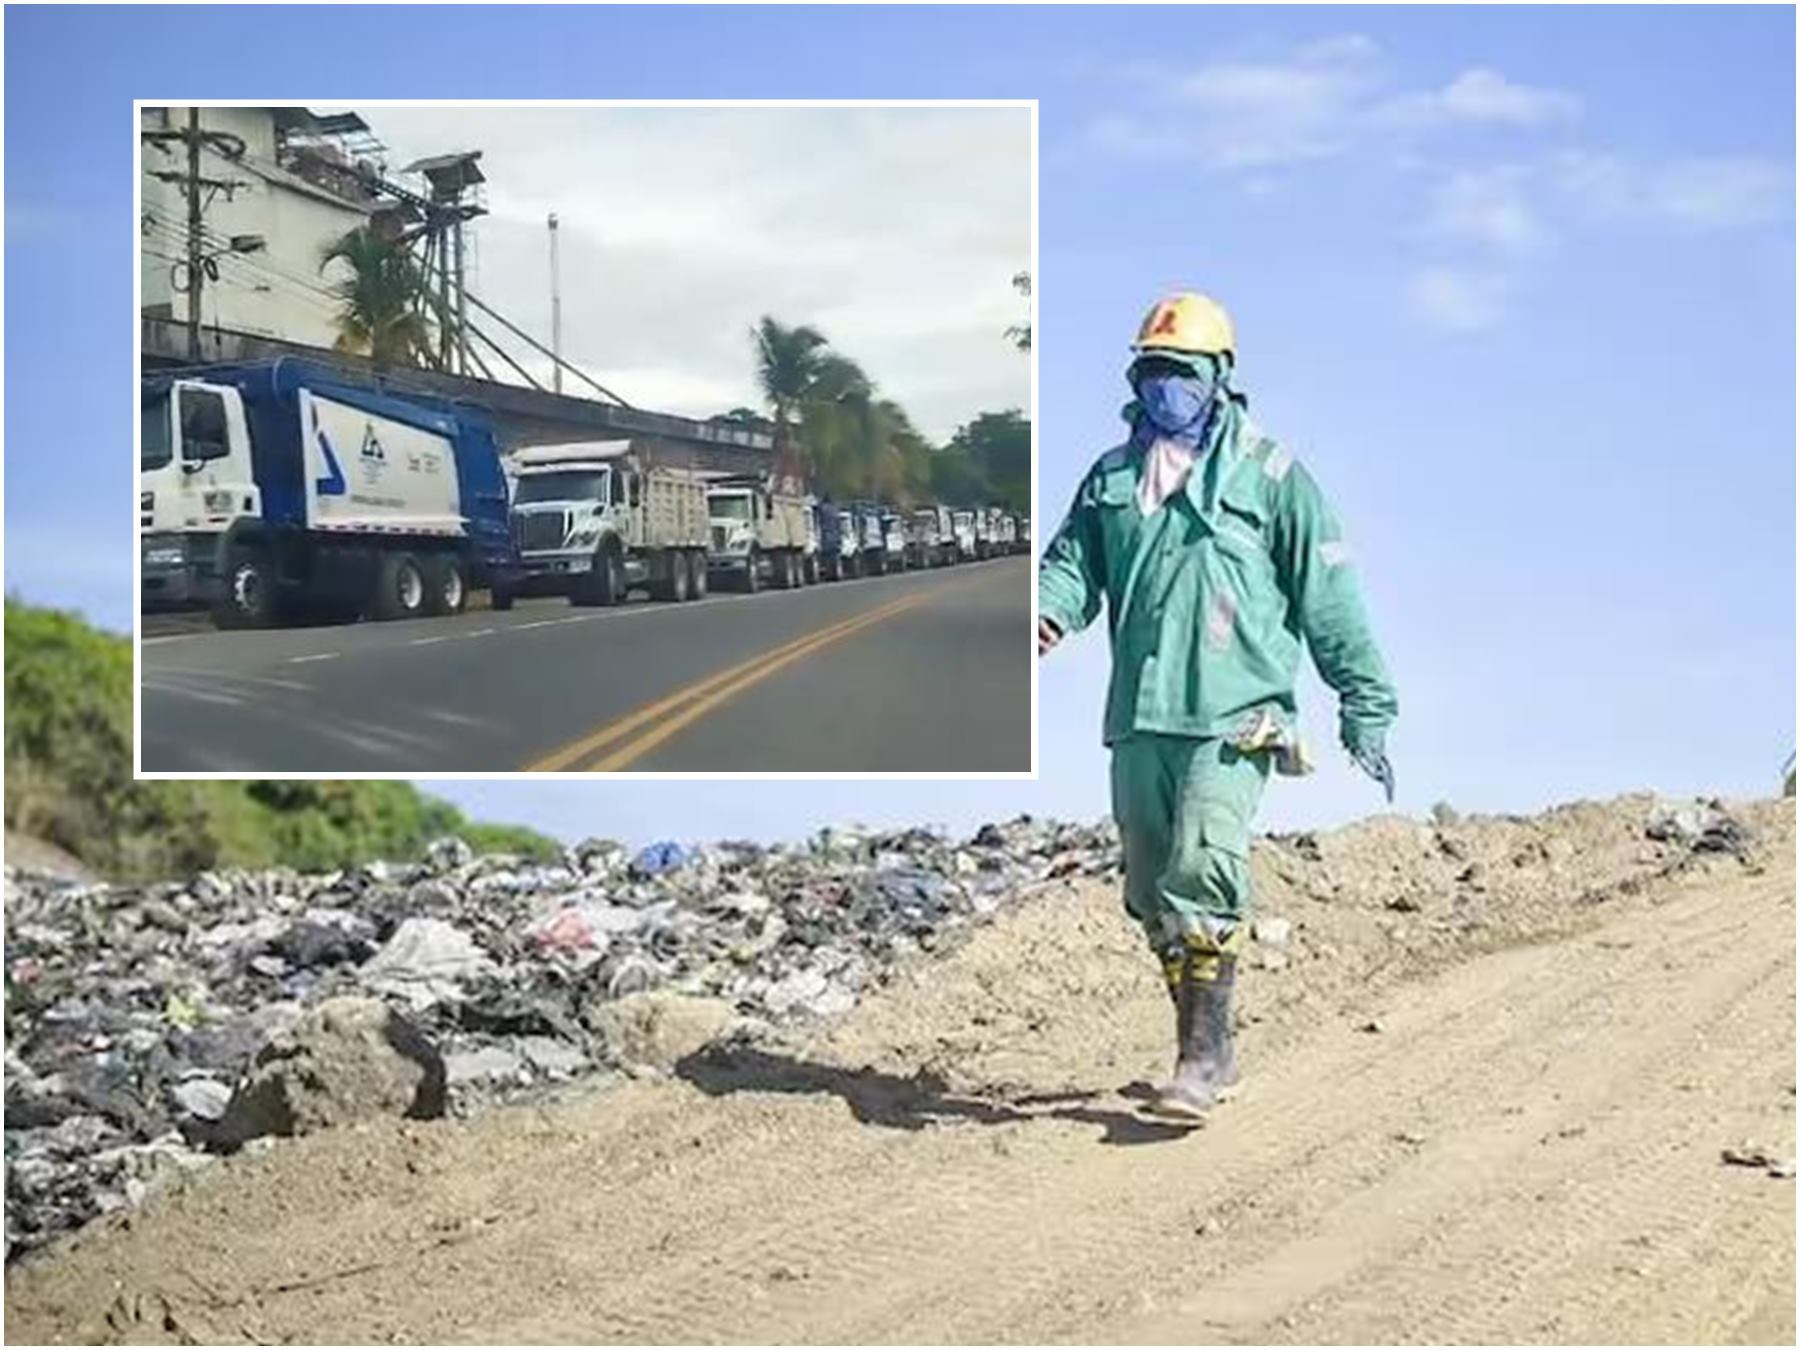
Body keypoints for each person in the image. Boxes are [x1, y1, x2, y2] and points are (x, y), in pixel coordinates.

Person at [1037, 292, 1399, 1121]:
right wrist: (1047, 613)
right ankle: (1210, 1044)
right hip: (1140, 714)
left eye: (1183, 372)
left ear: (1221, 378)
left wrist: (1365, 704)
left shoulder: (1272, 478)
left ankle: (1200, 1059)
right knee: (1151, 881)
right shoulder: (1113, 478)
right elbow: (1070, 564)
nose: (1167, 385)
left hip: (1236, 714)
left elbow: (1330, 598)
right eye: (1154, 370)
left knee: (1203, 862)